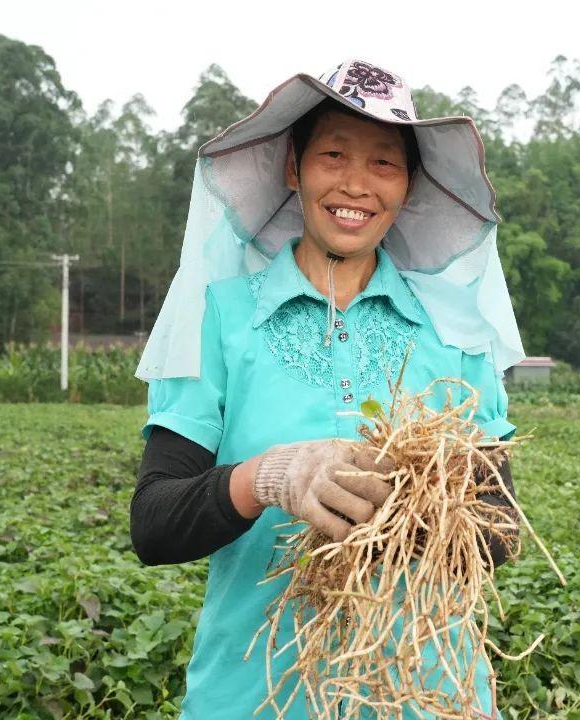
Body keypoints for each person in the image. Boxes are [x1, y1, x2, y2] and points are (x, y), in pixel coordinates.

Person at [130, 59, 526, 719]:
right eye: (333, 154)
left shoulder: (457, 332)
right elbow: (156, 524)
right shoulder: (220, 318)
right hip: (257, 695)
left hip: (426, 694)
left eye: (383, 164)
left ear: (408, 185)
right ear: (294, 167)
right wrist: (268, 476)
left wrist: (408, 502)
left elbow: (500, 532)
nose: (355, 184)